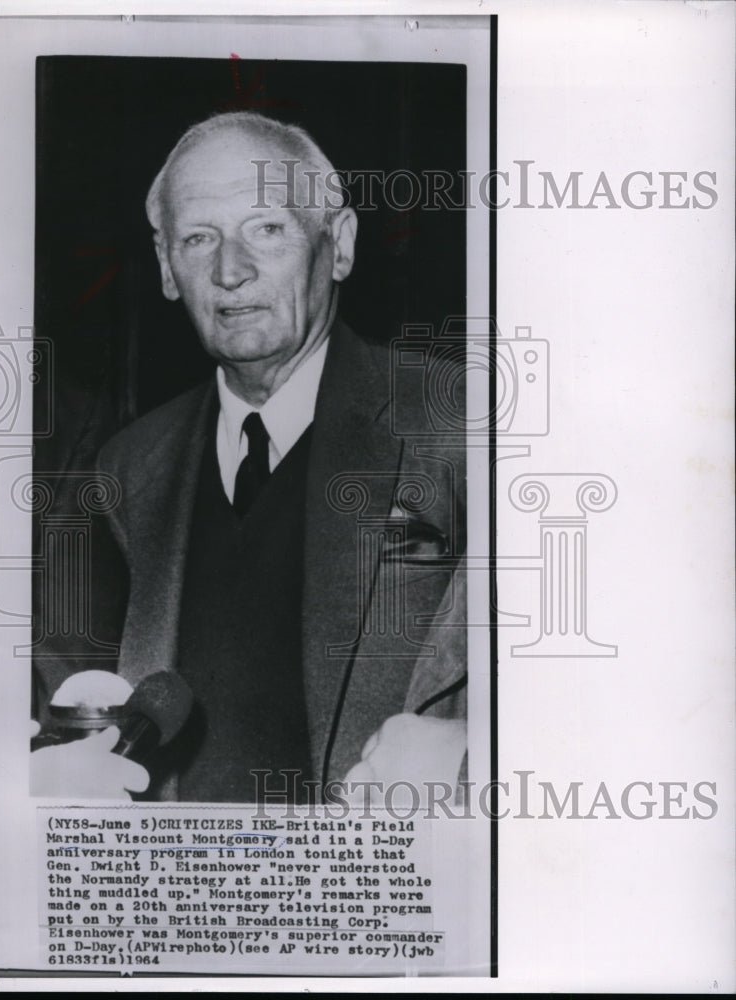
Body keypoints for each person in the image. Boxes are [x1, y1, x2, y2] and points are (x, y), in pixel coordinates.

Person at [31, 111, 468, 803]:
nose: (230, 270)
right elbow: (54, 693)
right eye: (199, 238)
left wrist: (482, 754)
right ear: (167, 269)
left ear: (341, 245)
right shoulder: (125, 468)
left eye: (267, 228)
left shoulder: (464, 425)